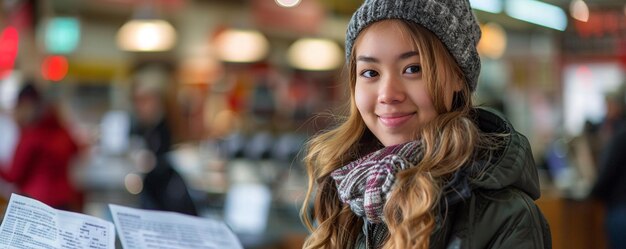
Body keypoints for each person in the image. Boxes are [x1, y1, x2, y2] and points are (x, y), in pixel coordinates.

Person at [299, 1, 552, 248]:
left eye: (412, 69)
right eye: (370, 73)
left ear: (457, 77)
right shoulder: (345, 196)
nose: (388, 93)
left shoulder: (508, 218)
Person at [0, 83, 83, 211]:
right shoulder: (62, 131)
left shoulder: (31, 137)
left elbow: (14, 176)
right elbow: (76, 150)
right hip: (65, 200)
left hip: (36, 203)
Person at [130, 78, 198, 216]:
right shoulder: (142, 128)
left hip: (168, 202)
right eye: (136, 101)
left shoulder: (169, 128)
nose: (139, 106)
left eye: (144, 100)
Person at [590, 92, 626, 249]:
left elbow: (608, 172)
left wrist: (593, 193)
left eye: (609, 105)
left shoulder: (620, 136)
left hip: (620, 208)